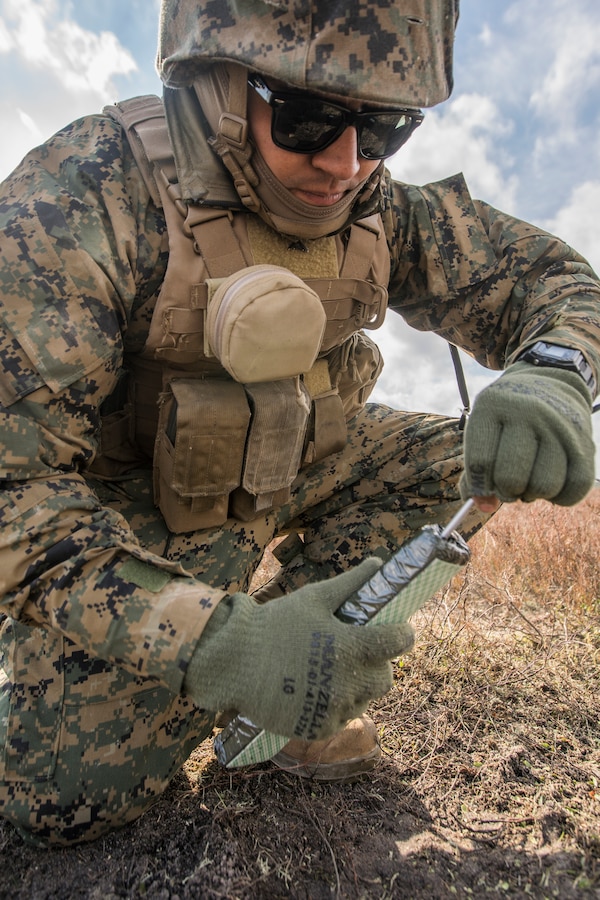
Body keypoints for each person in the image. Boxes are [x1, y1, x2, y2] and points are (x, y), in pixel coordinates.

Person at [0, 0, 597, 848]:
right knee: (64, 801)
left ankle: (300, 685)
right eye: (309, 115)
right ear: (215, 83)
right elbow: (13, 491)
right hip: (144, 512)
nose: (346, 162)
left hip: (305, 453)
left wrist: (555, 372)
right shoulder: (81, 198)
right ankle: (249, 661)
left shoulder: (381, 208)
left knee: (447, 465)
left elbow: (550, 281)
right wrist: (223, 644)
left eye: (385, 127)